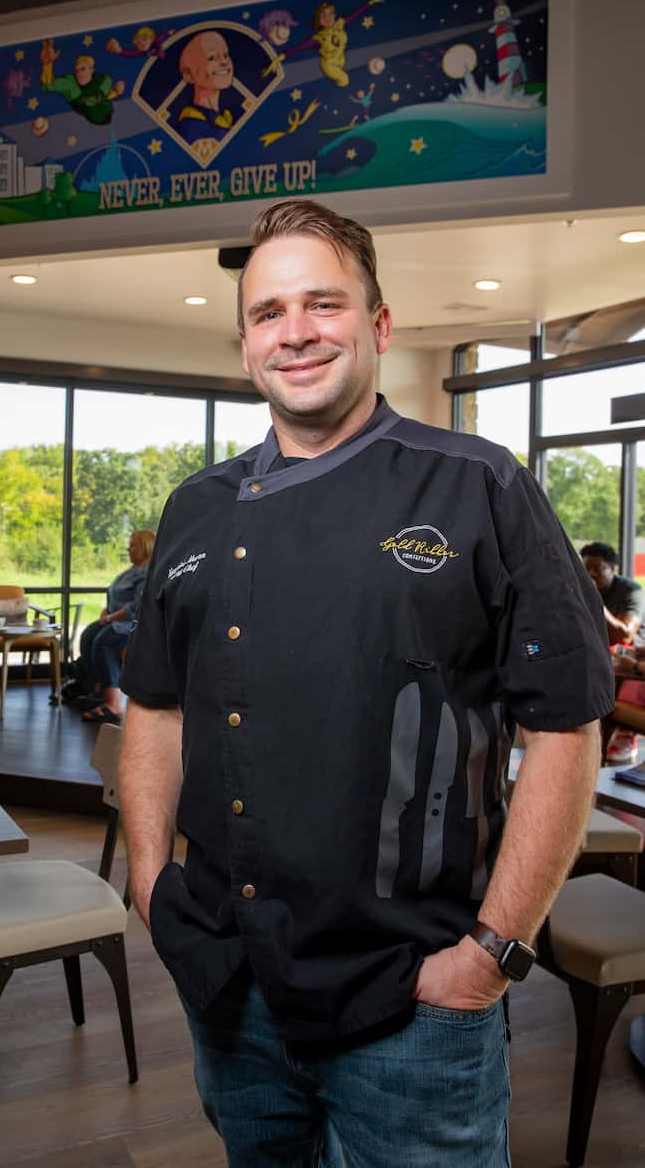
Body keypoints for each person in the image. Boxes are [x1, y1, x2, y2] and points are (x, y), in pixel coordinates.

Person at [119, 198, 615, 1167]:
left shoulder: (479, 486)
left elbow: (564, 727)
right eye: (268, 313)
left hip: (416, 1002)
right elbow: (155, 705)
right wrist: (148, 884)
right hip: (230, 986)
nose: (294, 332)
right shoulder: (195, 507)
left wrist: (490, 956)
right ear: (243, 342)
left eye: (322, 304)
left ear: (378, 326)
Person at [78, 529, 155, 724]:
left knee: (103, 642)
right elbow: (116, 597)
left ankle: (114, 704)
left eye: (133, 545)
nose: (129, 549)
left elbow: (136, 606)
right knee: (88, 636)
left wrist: (111, 617)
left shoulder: (148, 573)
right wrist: (107, 612)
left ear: (146, 548)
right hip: (115, 619)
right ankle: (99, 691)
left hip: (132, 625)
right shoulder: (130, 572)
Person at [581, 541, 645, 761]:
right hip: (599, 651)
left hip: (628, 653)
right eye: (586, 569)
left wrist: (593, 599)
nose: (591, 574)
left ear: (613, 568)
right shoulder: (578, 590)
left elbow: (625, 634)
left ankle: (623, 733)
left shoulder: (631, 591)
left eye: (598, 569)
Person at [176, 31, 240, 146]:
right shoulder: (192, 126)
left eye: (226, 55)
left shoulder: (227, 117)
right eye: (212, 57)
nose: (224, 62)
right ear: (188, 75)